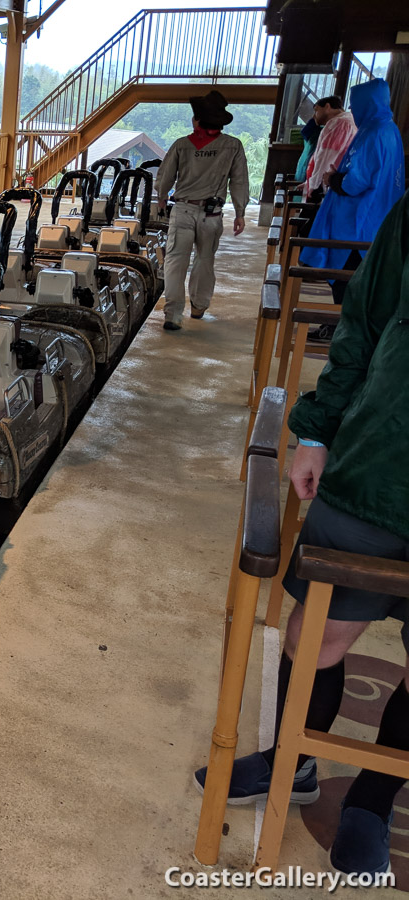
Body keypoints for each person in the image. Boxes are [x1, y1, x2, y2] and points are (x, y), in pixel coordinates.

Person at [195, 190, 409, 878]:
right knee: (312, 635)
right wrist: (317, 429)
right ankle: (298, 755)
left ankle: (372, 804)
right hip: (380, 462)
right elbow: (366, 322)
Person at [300, 79, 404, 339]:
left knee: (346, 277)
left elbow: (358, 181)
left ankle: (339, 330)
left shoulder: (375, 132)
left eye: (356, 104)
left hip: (357, 221)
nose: (353, 110)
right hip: (369, 217)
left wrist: (333, 179)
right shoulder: (386, 130)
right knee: (351, 278)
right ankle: (340, 327)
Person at [154, 90, 249, 331]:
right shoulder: (233, 146)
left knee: (175, 262)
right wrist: (240, 212)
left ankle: (173, 315)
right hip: (212, 214)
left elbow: (165, 177)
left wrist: (162, 198)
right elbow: (239, 181)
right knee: (205, 261)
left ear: (197, 120)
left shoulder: (182, 145)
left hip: (184, 209)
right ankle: (198, 306)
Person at [303, 95, 356, 196]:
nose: (314, 116)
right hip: (331, 184)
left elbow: (326, 159)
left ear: (327, 107)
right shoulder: (347, 120)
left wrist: (314, 186)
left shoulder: (339, 123)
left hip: (325, 187)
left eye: (316, 110)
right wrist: (308, 183)